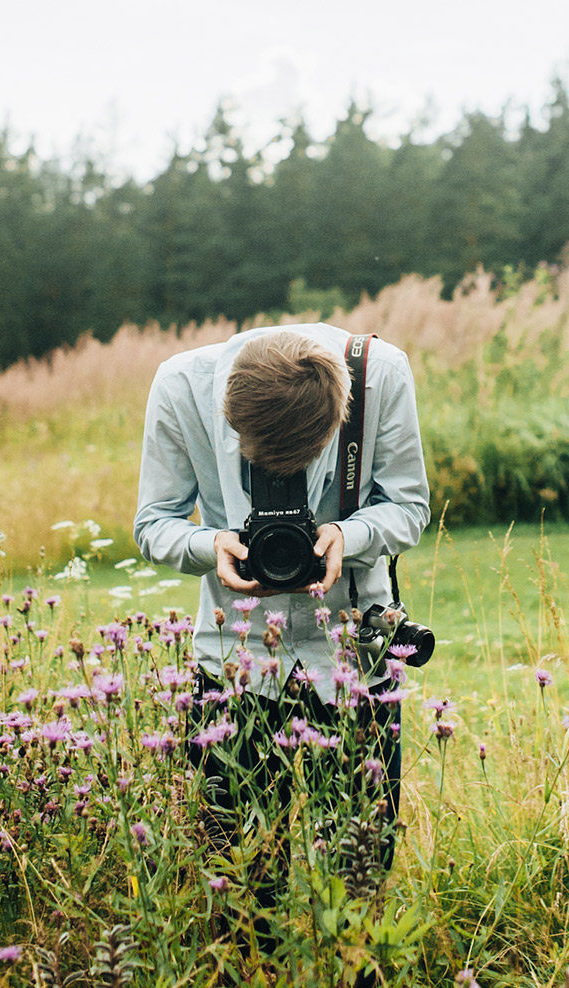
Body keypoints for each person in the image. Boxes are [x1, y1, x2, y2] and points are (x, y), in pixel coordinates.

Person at [133, 322, 430, 954]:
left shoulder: (382, 374)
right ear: (230, 417)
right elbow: (152, 523)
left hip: (356, 659)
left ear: (337, 416)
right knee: (237, 881)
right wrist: (208, 544)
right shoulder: (183, 384)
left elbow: (408, 506)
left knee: (360, 877)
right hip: (233, 662)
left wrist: (347, 537)